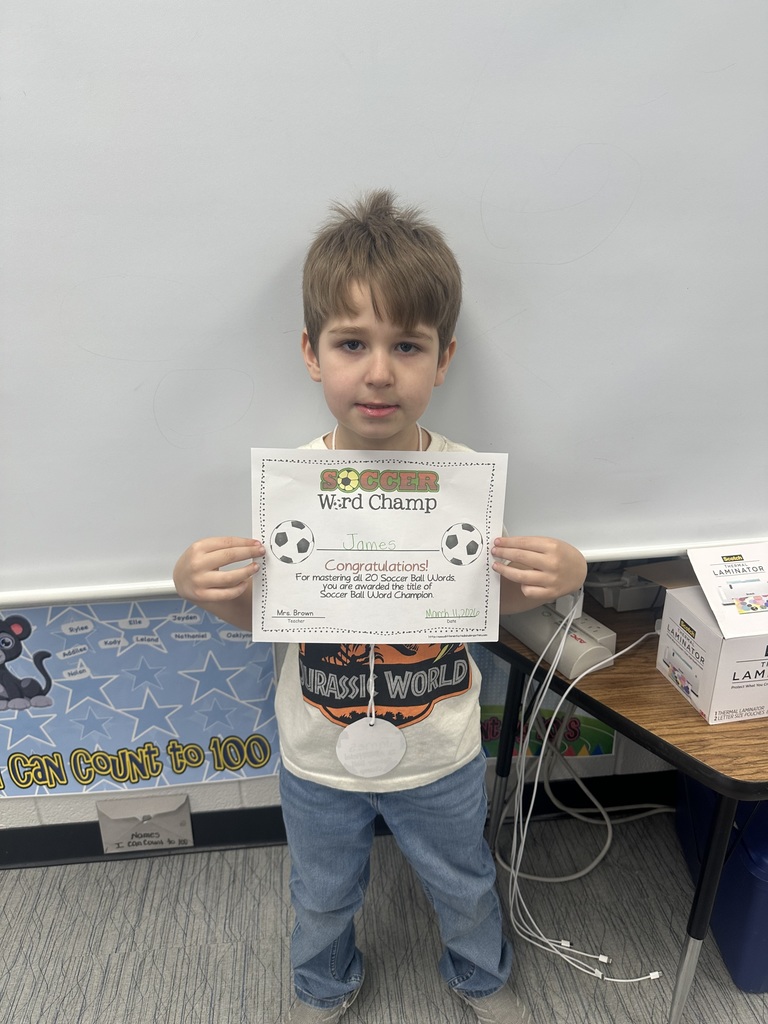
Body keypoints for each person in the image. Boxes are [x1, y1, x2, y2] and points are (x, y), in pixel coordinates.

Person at [173, 190, 587, 1024]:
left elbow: (481, 602)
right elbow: (270, 619)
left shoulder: (465, 483)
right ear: (311, 353)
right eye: (352, 343)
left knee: (462, 879)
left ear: (443, 360)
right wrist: (201, 590)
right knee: (322, 893)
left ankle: (481, 975)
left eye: (407, 345)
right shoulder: (287, 487)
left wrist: (563, 571)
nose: (379, 372)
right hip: (317, 750)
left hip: (440, 747)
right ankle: (323, 985)